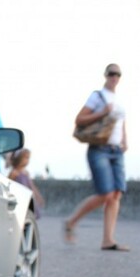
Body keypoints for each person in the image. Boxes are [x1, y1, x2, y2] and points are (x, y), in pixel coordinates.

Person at [64, 64, 129, 251]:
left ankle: (108, 240)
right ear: (106, 75)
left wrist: (125, 140)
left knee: (116, 194)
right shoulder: (97, 96)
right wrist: (103, 112)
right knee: (105, 193)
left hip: (117, 150)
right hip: (99, 149)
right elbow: (79, 119)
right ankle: (71, 222)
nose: (114, 77)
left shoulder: (119, 100)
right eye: (111, 73)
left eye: (118, 74)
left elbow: (121, 124)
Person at [9, 149, 45, 218]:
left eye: (28, 158)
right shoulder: (14, 173)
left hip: (26, 198)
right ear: (19, 158)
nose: (27, 160)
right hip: (18, 199)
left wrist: (38, 197)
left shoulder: (26, 172)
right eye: (25, 158)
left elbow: (32, 186)